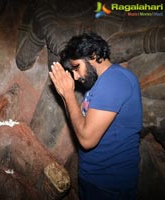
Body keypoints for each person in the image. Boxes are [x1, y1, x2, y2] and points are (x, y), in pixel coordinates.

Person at [49, 32, 142, 200]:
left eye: (76, 68)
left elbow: (86, 139)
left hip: (111, 184)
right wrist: (64, 94)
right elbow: (79, 122)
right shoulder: (98, 84)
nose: (75, 77)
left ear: (93, 55)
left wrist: (69, 95)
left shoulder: (114, 80)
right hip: (93, 178)